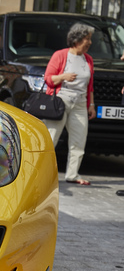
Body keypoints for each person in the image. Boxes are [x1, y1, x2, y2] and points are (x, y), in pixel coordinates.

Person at [44, 22, 97, 185]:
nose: (89, 42)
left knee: (79, 141)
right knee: (51, 139)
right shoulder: (60, 55)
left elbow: (90, 85)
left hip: (80, 104)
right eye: (87, 38)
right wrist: (63, 77)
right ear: (77, 39)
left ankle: (72, 175)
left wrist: (91, 105)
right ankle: (42, 174)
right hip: (60, 102)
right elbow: (48, 78)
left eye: (90, 39)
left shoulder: (88, 59)